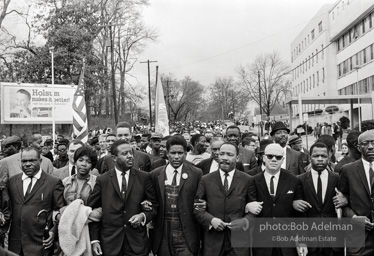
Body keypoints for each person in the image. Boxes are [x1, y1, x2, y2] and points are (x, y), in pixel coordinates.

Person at [87, 140, 157, 256]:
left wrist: (142, 216)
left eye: (131, 153)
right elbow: (93, 211)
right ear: (114, 158)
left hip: (137, 244)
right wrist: (95, 240)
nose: (130, 156)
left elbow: (154, 206)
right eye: (125, 154)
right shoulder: (103, 180)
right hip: (110, 244)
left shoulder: (144, 178)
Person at [195, 142, 254, 256]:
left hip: (239, 243)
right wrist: (211, 220)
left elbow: (254, 210)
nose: (224, 158)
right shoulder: (206, 180)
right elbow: (197, 208)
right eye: (221, 154)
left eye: (229, 154)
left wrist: (244, 222)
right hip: (213, 242)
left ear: (237, 158)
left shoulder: (247, 180)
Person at [248, 143, 305, 256]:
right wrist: (247, 207)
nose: (274, 159)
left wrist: (302, 241)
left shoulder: (294, 181)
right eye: (270, 156)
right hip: (261, 242)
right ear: (264, 158)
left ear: (283, 159)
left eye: (278, 157)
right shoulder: (252, 181)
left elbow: (300, 215)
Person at [150, 135, 203, 256]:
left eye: (180, 153)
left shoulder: (196, 173)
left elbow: (200, 201)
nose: (176, 157)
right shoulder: (155, 174)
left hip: (187, 233)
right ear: (167, 153)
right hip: (163, 233)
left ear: (185, 153)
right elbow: (152, 202)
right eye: (173, 153)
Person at [7, 146, 65, 255]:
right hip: (16, 245)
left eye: (32, 160)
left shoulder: (53, 183)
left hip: (40, 244)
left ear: (40, 160)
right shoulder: (12, 182)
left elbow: (59, 211)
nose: (27, 164)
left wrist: (53, 231)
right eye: (24, 161)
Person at [296, 142, 347, 256]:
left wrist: (346, 200)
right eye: (316, 156)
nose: (320, 159)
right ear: (310, 158)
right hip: (310, 240)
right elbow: (300, 215)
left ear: (329, 158)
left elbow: (347, 201)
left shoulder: (338, 178)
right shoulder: (300, 180)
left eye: (323, 156)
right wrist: (302, 241)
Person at [338, 130, 374, 255]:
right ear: (358, 147)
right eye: (365, 143)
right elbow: (341, 203)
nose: (370, 147)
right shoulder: (348, 170)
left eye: (373, 143)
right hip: (359, 239)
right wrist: (354, 218)